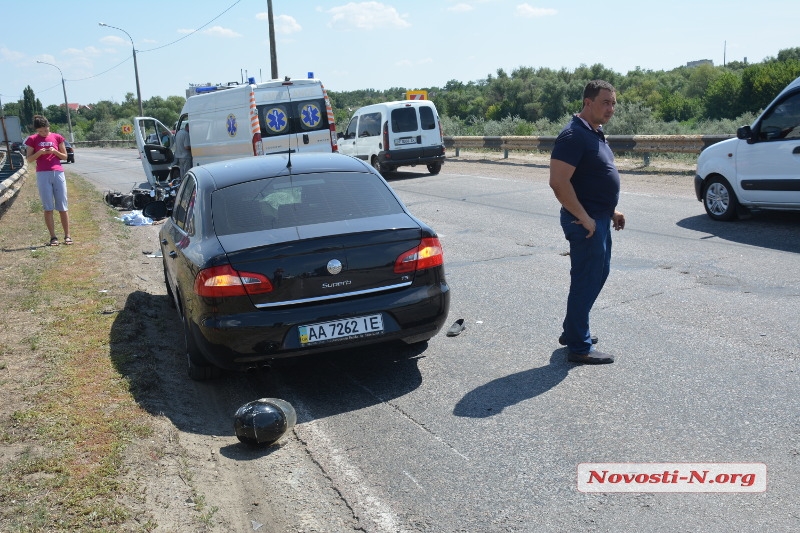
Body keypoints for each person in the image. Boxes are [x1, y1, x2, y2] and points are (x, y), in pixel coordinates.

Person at [549, 80, 625, 365]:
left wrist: (611, 210)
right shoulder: (573, 136)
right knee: (586, 280)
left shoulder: (595, 133)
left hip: (599, 219)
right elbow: (558, 182)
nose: (611, 108)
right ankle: (579, 346)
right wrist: (584, 217)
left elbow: (594, 178)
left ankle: (573, 331)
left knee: (597, 275)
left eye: (614, 103)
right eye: (605, 102)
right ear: (588, 102)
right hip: (585, 223)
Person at [25, 115, 72, 246]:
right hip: (42, 174)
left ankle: (67, 235)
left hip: (57, 172)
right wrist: (39, 153)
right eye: (40, 131)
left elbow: (65, 156)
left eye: (45, 130)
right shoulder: (32, 139)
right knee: (48, 207)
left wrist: (54, 151)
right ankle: (53, 237)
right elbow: (29, 159)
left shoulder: (57, 137)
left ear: (48, 127)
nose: (43, 133)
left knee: (62, 206)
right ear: (36, 130)